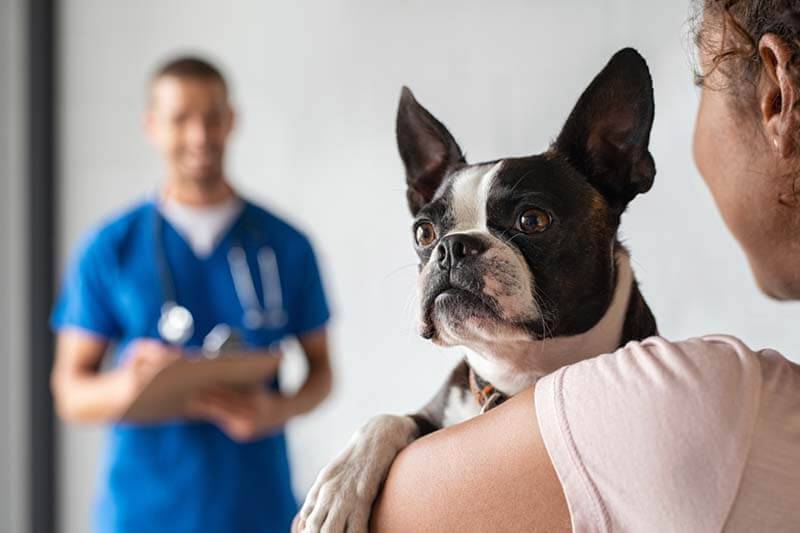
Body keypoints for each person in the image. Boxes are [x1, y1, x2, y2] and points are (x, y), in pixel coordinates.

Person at [371, 1, 799, 531]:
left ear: (777, 96)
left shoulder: (678, 397)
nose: (451, 252)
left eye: (530, 220)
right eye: (430, 234)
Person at [50, 57, 333, 533]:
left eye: (212, 117)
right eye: (181, 119)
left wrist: (277, 409)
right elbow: (69, 392)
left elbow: (322, 372)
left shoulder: (285, 245)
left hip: (258, 509)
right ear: (152, 126)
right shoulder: (111, 248)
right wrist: (130, 386)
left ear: (232, 121)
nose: (200, 136)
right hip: (144, 514)